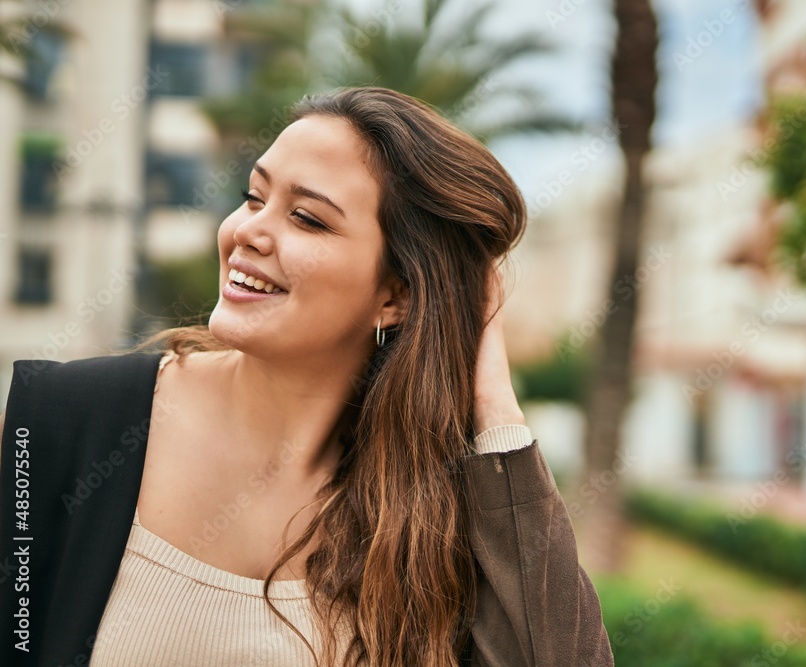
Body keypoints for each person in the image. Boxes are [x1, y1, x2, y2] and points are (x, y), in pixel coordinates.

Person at [0, 87, 613, 666]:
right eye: (253, 196)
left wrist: (493, 402)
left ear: (396, 295)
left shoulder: (436, 517)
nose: (248, 232)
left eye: (308, 219)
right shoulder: (63, 424)